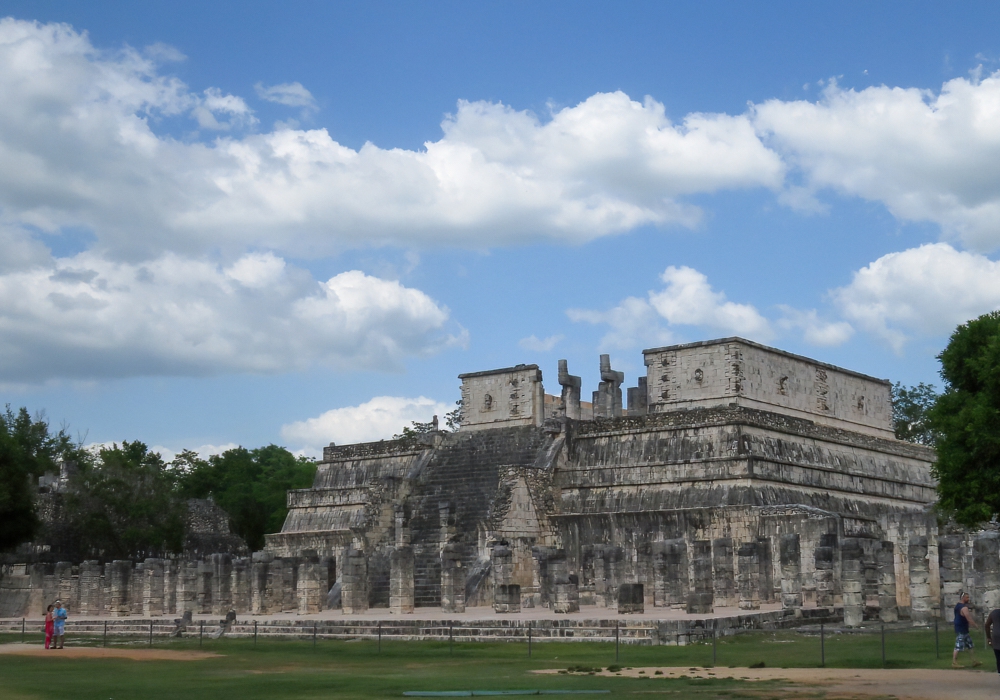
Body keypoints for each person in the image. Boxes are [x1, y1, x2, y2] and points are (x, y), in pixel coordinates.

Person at [953, 591, 982, 668]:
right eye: (967, 597)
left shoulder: (957, 606)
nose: (968, 599)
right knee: (958, 646)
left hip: (963, 628)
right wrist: (976, 626)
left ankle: (974, 661)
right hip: (961, 629)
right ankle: (954, 662)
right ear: (963, 598)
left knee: (970, 645)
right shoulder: (964, 608)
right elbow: (969, 618)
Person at [985, 606, 1000, 675]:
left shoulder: (994, 613)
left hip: (996, 636)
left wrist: (988, 637)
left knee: (998, 656)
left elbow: (987, 625)